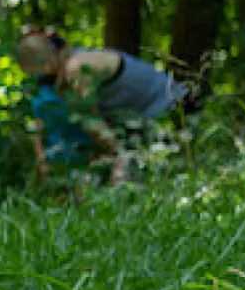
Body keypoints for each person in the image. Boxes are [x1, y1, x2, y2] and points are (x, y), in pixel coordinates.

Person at [13, 26, 182, 185]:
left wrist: (115, 154)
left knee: (124, 174)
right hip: (153, 106)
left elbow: (91, 121)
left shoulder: (76, 69)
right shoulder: (73, 57)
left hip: (164, 106)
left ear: (45, 65)